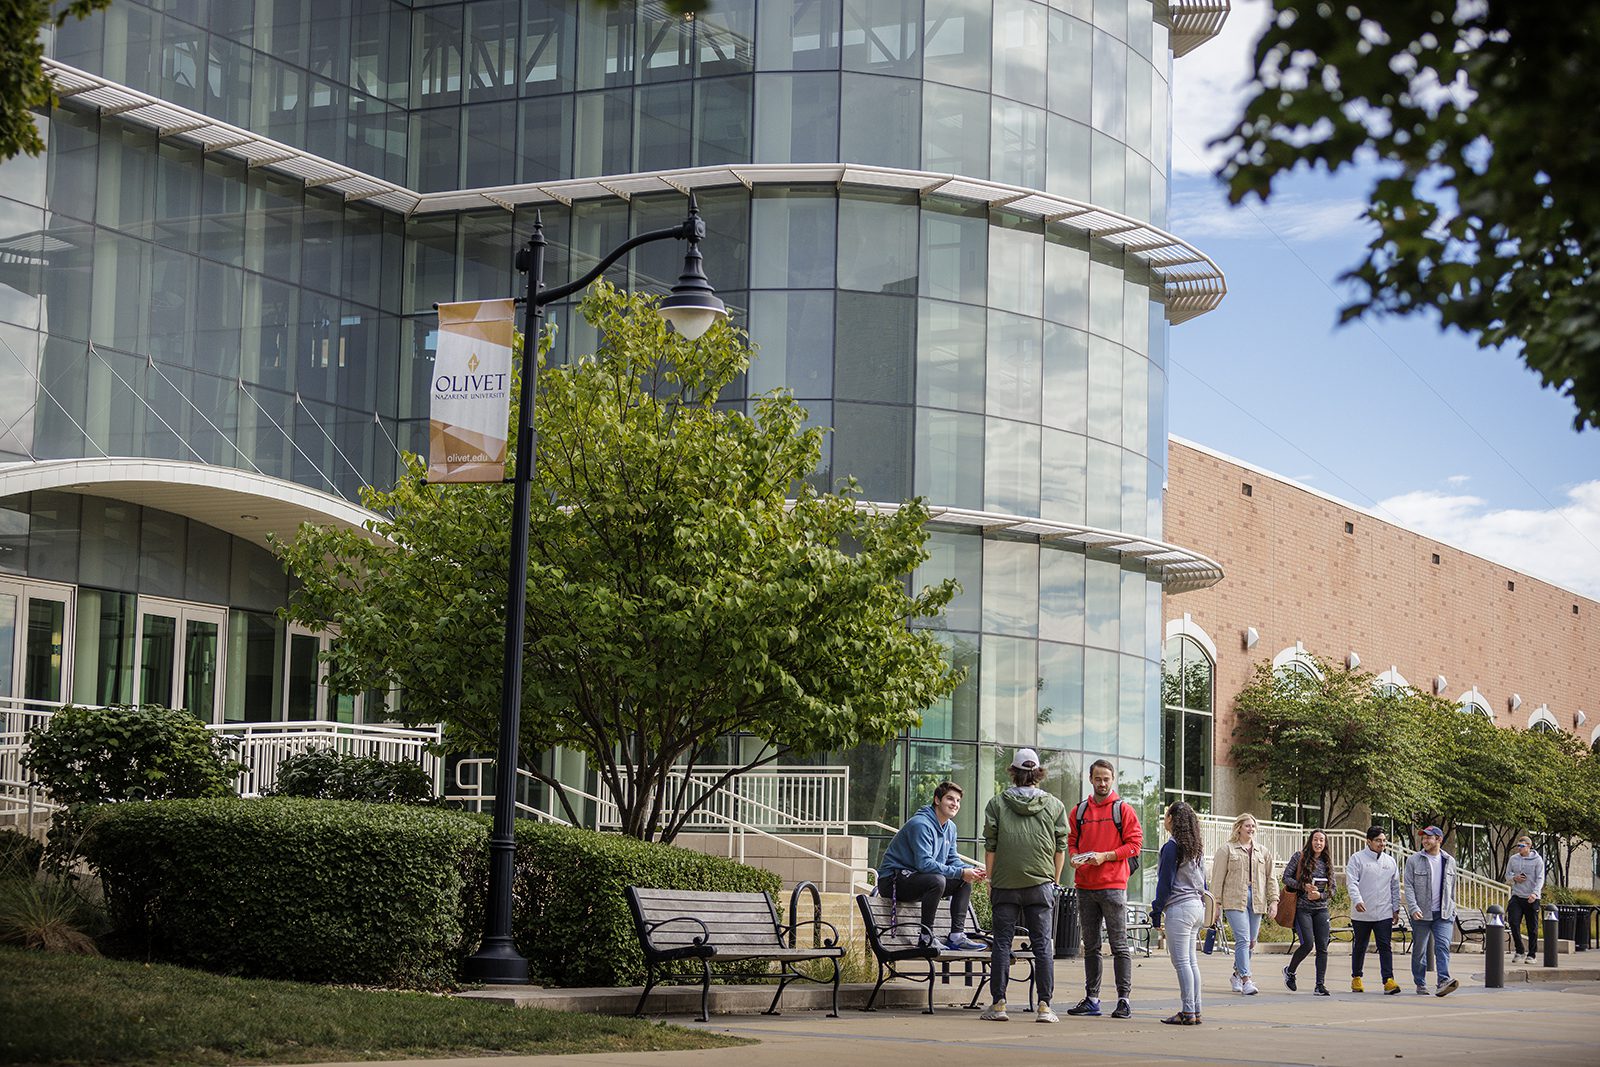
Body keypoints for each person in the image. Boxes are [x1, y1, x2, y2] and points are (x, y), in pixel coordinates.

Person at [979, 748, 1069, 1024]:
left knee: (1002, 944)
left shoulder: (997, 803)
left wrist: (992, 879)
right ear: (1038, 773)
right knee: (1043, 944)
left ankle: (999, 1004)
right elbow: (1060, 847)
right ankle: (1044, 1006)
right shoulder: (1054, 805)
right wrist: (1052, 880)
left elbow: (991, 846)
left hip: (1006, 883)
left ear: (1014, 772)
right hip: (1040, 883)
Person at [1064, 758, 1143, 1019]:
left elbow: (1134, 845)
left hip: (1113, 886)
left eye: (1106, 779)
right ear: (1090, 779)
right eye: (1098, 778)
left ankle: (1124, 1000)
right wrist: (1075, 856)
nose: (1102, 783)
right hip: (1085, 886)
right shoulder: (1079, 811)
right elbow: (1072, 841)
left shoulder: (1124, 810)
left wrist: (1106, 856)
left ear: (1112, 779)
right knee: (1091, 946)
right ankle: (1092, 999)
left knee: (1119, 945)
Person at [876, 781, 987, 950]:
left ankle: (957, 936)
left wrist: (970, 871)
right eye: (950, 799)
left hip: (919, 879)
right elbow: (924, 864)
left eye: (958, 801)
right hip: (893, 881)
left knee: (963, 881)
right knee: (937, 880)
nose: (955, 804)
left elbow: (952, 859)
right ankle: (926, 936)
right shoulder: (920, 824)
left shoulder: (950, 827)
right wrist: (960, 872)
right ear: (937, 800)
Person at [1150, 800, 1207, 1026]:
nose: (1165, 819)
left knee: (1182, 962)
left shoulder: (1172, 846)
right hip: (1196, 907)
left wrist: (1156, 911)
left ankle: (1187, 1011)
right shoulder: (1196, 847)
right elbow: (1205, 882)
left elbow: (1165, 883)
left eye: (1166, 815)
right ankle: (1196, 1009)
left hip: (1180, 909)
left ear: (1171, 819)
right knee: (1191, 962)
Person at [1211, 812, 1278, 995]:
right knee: (1243, 939)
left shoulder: (1262, 851)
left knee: (1251, 942)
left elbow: (1271, 878)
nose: (1251, 829)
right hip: (1234, 899)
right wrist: (1215, 904)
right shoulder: (1227, 849)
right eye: (1247, 826)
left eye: (1253, 826)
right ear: (1239, 827)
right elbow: (1217, 878)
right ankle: (1247, 979)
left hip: (1257, 899)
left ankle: (1236, 974)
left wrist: (1274, 901)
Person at [1346, 824, 1403, 994]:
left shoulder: (1390, 861)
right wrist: (1357, 900)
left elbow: (1394, 886)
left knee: (1385, 946)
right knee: (1360, 945)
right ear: (1368, 841)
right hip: (1362, 912)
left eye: (1384, 841)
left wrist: (1396, 908)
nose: (1382, 844)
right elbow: (1352, 882)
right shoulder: (1357, 858)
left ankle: (1388, 980)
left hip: (1384, 912)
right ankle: (1356, 978)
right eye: (1378, 840)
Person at [1404, 825, 1461, 996]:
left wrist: (1453, 908)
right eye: (1423, 838)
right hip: (1421, 913)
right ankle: (1420, 982)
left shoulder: (1449, 861)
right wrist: (1413, 907)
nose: (1425, 841)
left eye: (1429, 837)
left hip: (1443, 913)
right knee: (1419, 950)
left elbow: (1452, 888)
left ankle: (1443, 980)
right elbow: (1408, 886)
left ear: (1439, 840)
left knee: (1443, 946)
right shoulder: (1414, 860)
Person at [1280, 828, 1334, 996]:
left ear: (1325, 844)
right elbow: (1286, 878)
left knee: (1323, 947)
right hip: (1303, 909)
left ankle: (1320, 985)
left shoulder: (1327, 862)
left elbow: (1333, 890)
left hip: (1321, 910)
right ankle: (1290, 971)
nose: (1318, 843)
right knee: (1308, 944)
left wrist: (1321, 895)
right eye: (1316, 839)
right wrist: (1303, 886)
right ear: (1310, 841)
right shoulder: (1299, 857)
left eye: (1321, 840)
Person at [1504, 835, 1545, 963]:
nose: (1519, 848)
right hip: (1517, 896)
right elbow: (1507, 875)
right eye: (1518, 846)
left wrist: (1535, 893)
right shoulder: (1513, 859)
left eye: (1522, 846)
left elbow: (1540, 878)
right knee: (1513, 922)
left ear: (1529, 846)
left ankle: (1532, 955)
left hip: (1531, 897)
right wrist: (1514, 878)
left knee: (1532, 927)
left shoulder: (1537, 860)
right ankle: (1520, 950)